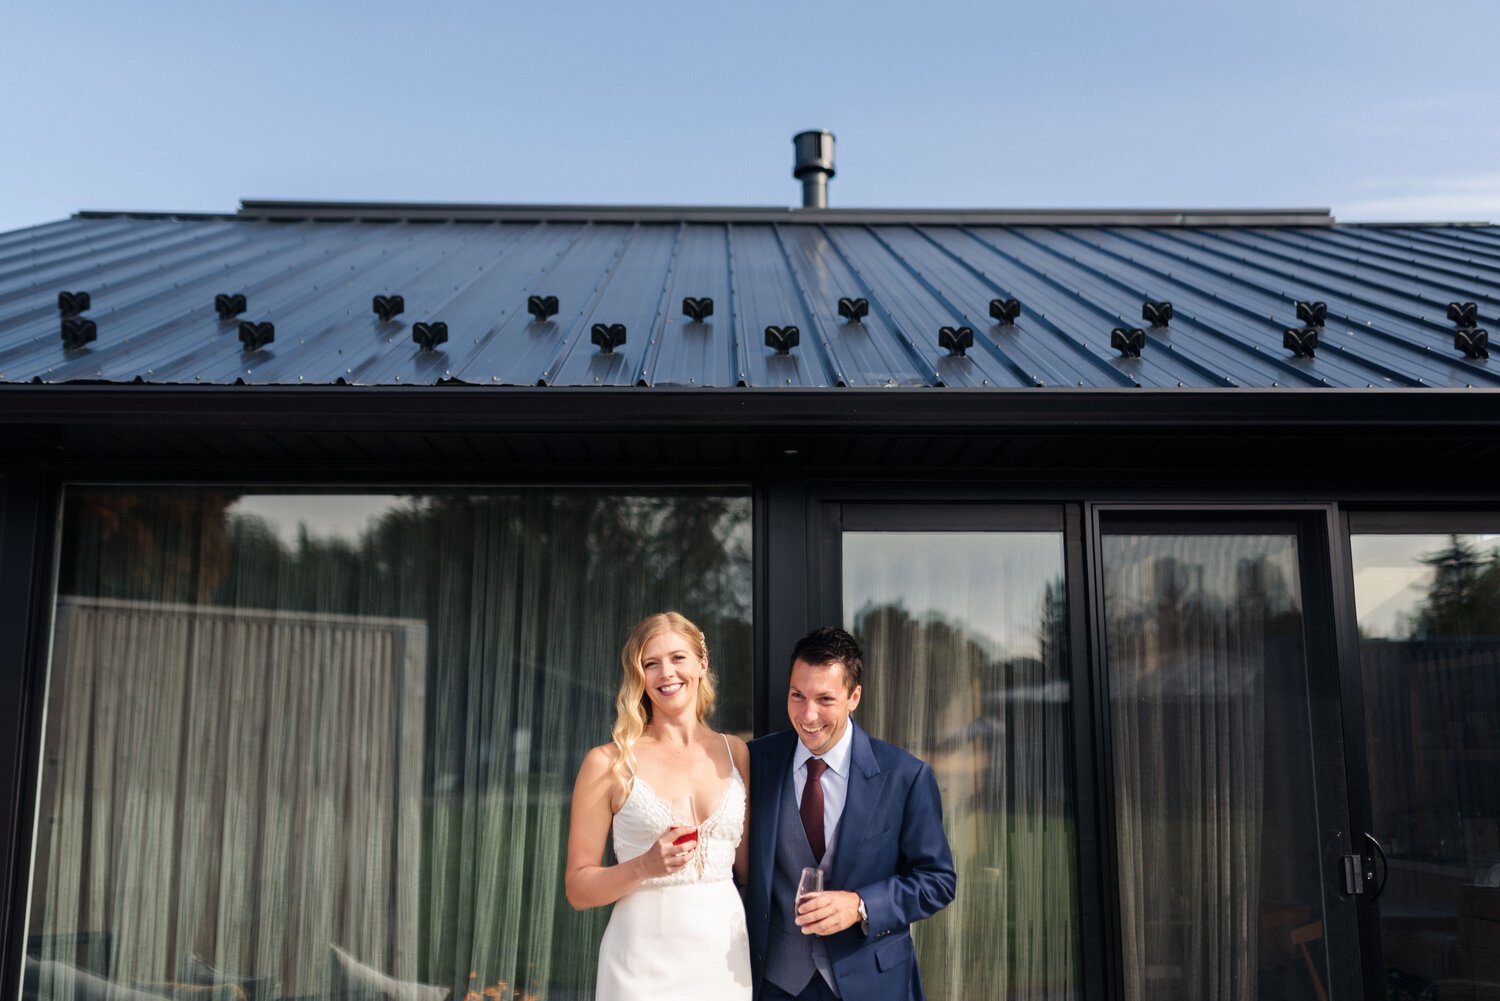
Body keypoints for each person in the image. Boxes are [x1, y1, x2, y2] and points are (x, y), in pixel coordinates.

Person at [747, 627, 956, 1001]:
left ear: (854, 696)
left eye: (825, 699)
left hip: (871, 983)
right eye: (797, 695)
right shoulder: (756, 763)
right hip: (774, 984)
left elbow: (937, 881)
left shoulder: (905, 776)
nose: (807, 715)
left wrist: (861, 905)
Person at [565, 611, 752, 1001]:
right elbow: (578, 889)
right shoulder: (609, 763)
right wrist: (643, 866)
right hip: (642, 963)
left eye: (677, 658)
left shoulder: (735, 753)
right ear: (639, 676)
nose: (666, 673)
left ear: (702, 664)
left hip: (723, 956)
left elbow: (748, 867)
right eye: (651, 663)